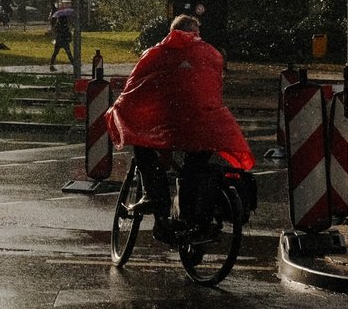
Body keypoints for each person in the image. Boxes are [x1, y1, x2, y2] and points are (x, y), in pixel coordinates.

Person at [104, 14, 253, 243]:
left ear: (171, 32)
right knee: (195, 165)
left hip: (171, 126)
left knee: (143, 149)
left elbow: (134, 88)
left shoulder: (156, 54)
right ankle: (195, 219)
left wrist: (120, 109)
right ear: (197, 33)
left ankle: (157, 202)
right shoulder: (212, 54)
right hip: (210, 125)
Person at [47, 0, 75, 70]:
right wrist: (69, 37)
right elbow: (67, 33)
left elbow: (55, 30)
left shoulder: (58, 24)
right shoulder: (65, 25)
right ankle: (74, 64)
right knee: (69, 53)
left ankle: (51, 65)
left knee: (55, 53)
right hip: (64, 41)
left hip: (59, 40)